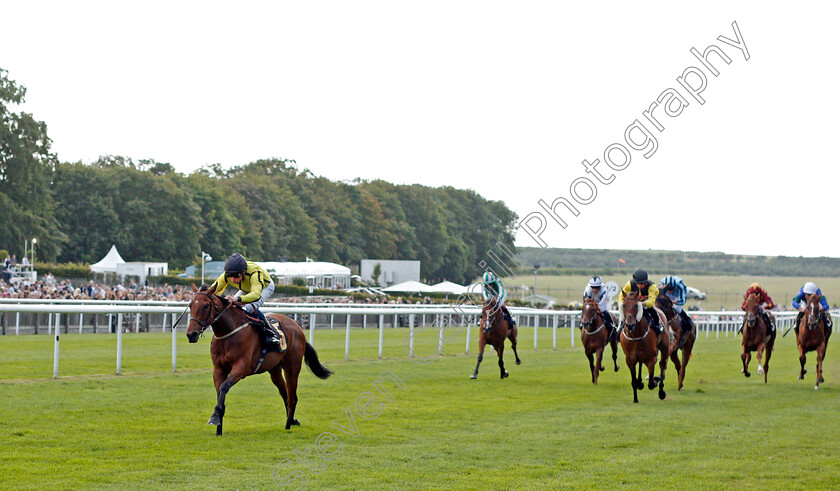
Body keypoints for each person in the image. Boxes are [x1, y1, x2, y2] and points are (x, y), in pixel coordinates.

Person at [209, 253, 282, 348]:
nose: (233, 279)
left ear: (243, 271)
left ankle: (270, 334)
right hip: (245, 287)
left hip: (264, 287)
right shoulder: (228, 274)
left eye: (235, 276)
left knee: (250, 308)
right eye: (230, 276)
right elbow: (214, 289)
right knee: (231, 306)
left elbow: (256, 294)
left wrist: (237, 298)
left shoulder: (255, 272)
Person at [619, 268, 662, 334]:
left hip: (645, 303)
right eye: (637, 284)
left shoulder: (652, 286)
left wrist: (641, 303)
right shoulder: (630, 284)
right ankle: (619, 328)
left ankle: (658, 325)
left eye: (642, 284)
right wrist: (622, 303)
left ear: (646, 282)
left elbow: (651, 302)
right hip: (633, 302)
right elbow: (622, 295)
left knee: (652, 311)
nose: (639, 286)